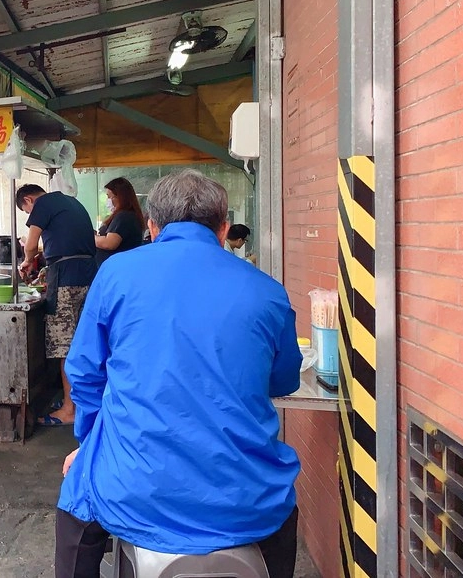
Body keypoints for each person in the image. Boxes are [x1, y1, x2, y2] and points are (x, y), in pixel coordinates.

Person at [54, 169, 302, 578]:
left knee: (76, 509)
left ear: (152, 227)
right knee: (279, 511)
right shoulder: (267, 290)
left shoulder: (116, 274)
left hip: (132, 493)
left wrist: (91, 441)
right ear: (223, 230)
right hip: (242, 497)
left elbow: (83, 372)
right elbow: (284, 379)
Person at [15, 184, 97, 427]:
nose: (30, 215)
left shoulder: (42, 204)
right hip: (89, 277)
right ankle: (82, 403)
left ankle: (69, 410)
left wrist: (27, 261)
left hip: (65, 279)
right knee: (83, 342)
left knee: (64, 345)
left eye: (26, 211)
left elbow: (30, 245)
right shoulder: (72, 202)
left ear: (29, 200)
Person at [94, 177, 145, 265]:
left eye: (109, 197)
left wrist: (91, 238)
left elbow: (109, 243)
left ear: (120, 197)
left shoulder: (124, 217)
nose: (108, 200)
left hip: (117, 266)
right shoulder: (129, 216)